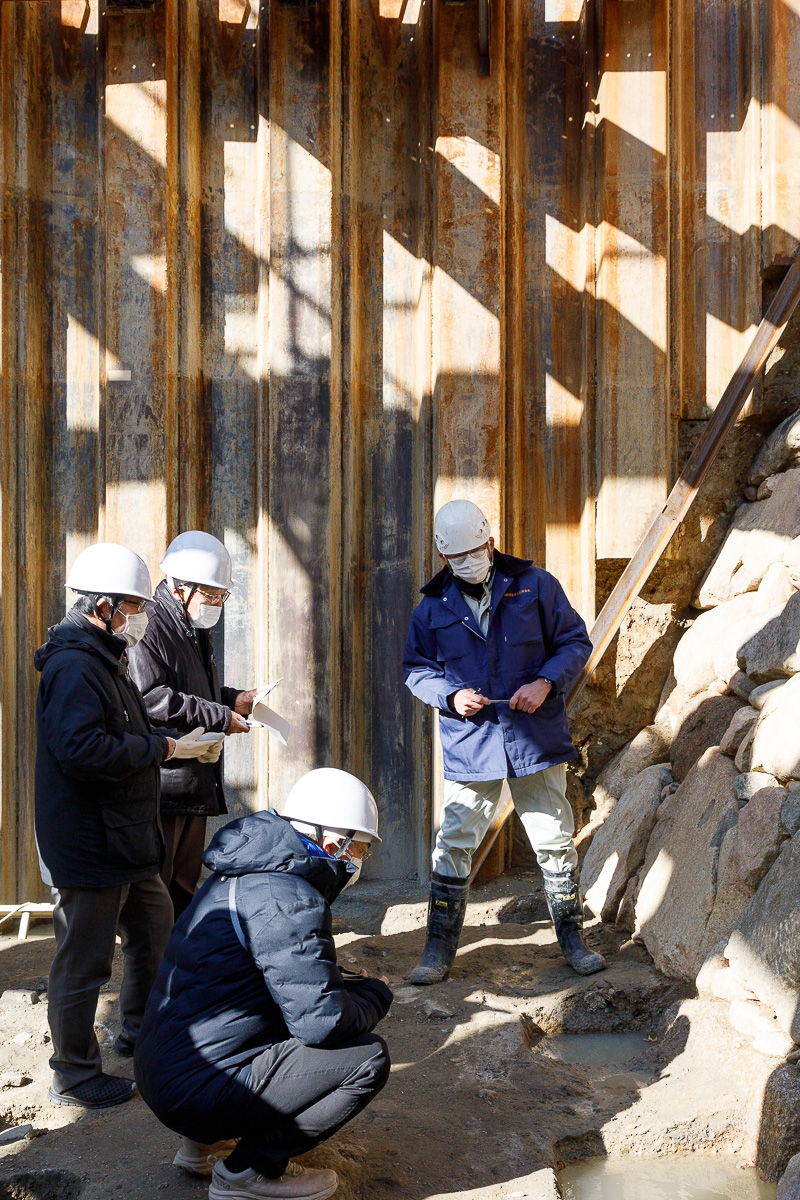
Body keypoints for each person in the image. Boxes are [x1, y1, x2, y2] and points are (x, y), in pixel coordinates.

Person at [134, 767, 392, 1200]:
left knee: (263, 1011)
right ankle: (248, 1172)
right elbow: (321, 1025)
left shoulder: (241, 872)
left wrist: (338, 983)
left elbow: (254, 980)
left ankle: (203, 1146)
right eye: (361, 847)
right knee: (368, 1058)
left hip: (164, 1071)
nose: (359, 858)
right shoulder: (287, 897)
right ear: (333, 842)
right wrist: (374, 995)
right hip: (194, 1091)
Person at [34, 543, 221, 1109]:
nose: (141, 615)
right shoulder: (73, 666)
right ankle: (73, 1072)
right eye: (134, 606)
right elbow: (81, 750)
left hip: (125, 837)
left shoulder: (102, 656)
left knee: (156, 931)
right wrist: (164, 745)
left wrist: (159, 745)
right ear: (102, 606)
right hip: (91, 844)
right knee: (84, 960)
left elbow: (118, 729)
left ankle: (141, 1034)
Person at [403, 499, 604, 984]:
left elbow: (575, 640)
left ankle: (573, 942)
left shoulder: (535, 587)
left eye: (475, 551)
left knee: (554, 839)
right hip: (473, 742)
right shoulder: (431, 608)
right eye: (457, 557)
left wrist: (546, 682)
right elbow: (416, 671)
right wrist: (449, 696)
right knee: (453, 841)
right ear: (442, 556)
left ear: (490, 542)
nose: (468, 563)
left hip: (534, 738)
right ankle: (437, 950)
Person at [128, 531, 259, 919]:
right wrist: (220, 715)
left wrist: (231, 698)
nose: (217, 604)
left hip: (192, 774)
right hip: (166, 778)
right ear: (180, 586)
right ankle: (158, 965)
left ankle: (180, 960)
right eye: (211, 595)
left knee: (184, 884)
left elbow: (190, 686)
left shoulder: (189, 622)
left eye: (222, 595)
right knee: (160, 886)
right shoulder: (151, 624)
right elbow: (152, 698)